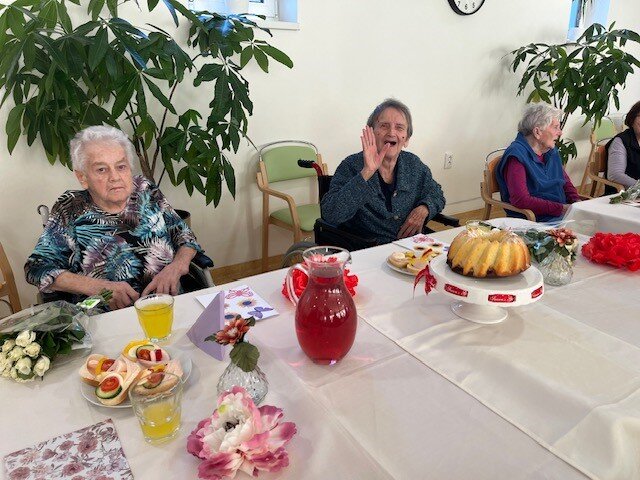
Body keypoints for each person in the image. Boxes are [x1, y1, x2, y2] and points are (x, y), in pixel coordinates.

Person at [25, 126, 201, 310]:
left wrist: (177, 267)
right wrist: (98, 287)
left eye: (121, 167)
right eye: (102, 169)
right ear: (82, 177)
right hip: (106, 317)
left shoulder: (146, 190)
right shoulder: (70, 208)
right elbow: (36, 269)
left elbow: (185, 236)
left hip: (169, 305)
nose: (115, 177)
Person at [321, 99, 445, 244]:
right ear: (371, 133)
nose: (391, 132)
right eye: (384, 126)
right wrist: (367, 172)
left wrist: (424, 208)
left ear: (406, 139)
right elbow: (331, 214)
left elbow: (437, 194)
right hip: (368, 250)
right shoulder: (351, 165)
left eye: (399, 127)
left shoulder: (414, 165)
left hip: (412, 249)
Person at [496, 103, 581, 223]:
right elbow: (521, 200)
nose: (560, 132)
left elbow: (564, 181)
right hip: (535, 220)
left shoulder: (550, 151)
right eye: (556, 127)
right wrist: (562, 209)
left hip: (561, 214)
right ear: (537, 132)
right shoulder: (516, 156)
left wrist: (577, 202)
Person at [606, 100, 640, 189]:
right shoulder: (620, 141)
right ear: (632, 118)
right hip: (624, 194)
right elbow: (615, 175)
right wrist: (638, 186)